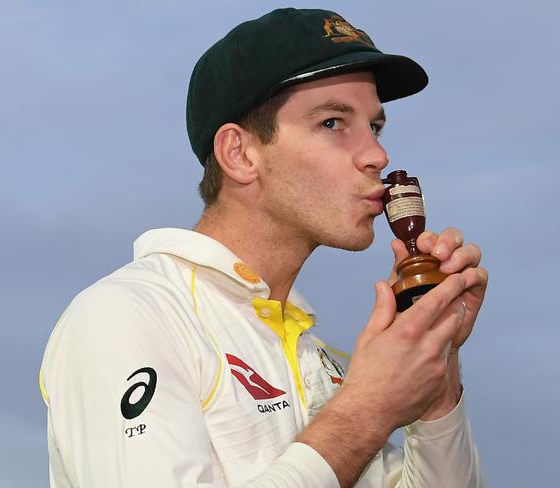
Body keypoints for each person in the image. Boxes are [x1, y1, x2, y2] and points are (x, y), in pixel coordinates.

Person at [40, 7, 488, 488]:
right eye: (334, 123)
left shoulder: (325, 363)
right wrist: (365, 412)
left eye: (374, 127)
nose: (377, 155)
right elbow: (360, 418)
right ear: (239, 153)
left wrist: (436, 370)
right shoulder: (129, 315)